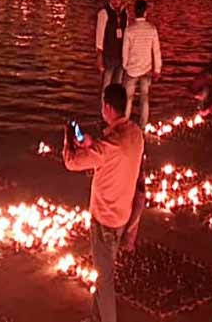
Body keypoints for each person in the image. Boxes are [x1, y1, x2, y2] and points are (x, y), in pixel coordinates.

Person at [63, 84, 145, 322]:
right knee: (104, 271)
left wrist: (68, 139)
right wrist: (91, 143)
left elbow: (72, 162)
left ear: (107, 107)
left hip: (105, 220)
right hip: (123, 215)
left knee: (104, 279)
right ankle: (96, 317)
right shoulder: (135, 133)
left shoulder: (108, 146)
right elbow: (108, 153)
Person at [121, 0, 161, 127]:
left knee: (128, 99)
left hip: (132, 70)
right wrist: (157, 70)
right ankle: (143, 125)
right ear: (145, 12)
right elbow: (156, 51)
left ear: (134, 12)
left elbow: (125, 51)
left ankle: (124, 124)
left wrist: (125, 65)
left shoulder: (129, 30)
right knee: (144, 98)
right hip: (146, 70)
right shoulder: (152, 29)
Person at [95, 0, 128, 89]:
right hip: (108, 56)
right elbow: (99, 36)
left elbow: (127, 35)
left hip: (120, 56)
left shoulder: (125, 13)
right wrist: (99, 58)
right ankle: (104, 100)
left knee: (118, 85)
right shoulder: (104, 13)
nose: (115, 1)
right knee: (106, 85)